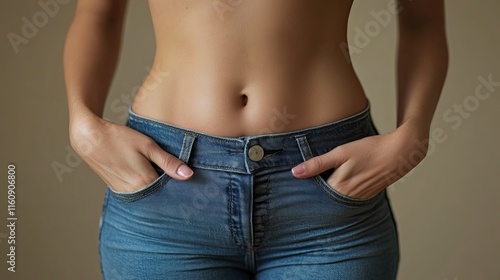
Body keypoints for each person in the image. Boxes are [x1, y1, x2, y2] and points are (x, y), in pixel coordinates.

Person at [63, 0, 448, 279]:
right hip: (166, 196)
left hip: (328, 198)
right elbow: (98, 12)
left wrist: (412, 135)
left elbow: (422, 20)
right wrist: (82, 123)